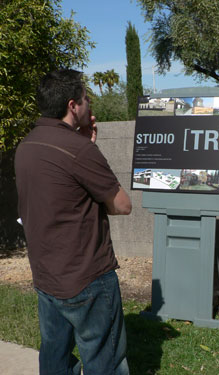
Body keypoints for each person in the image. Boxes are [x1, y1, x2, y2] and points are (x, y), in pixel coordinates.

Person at [15, 69, 132, 375]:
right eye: (85, 99)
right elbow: (122, 205)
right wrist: (89, 147)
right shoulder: (80, 150)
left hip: (46, 278)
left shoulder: (26, 145)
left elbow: (60, 197)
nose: (88, 104)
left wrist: (85, 145)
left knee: (54, 357)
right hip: (88, 279)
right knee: (105, 362)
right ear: (72, 106)